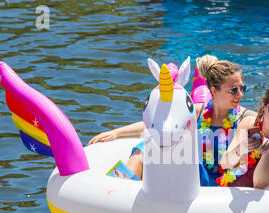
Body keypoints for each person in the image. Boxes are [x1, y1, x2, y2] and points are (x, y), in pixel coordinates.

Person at [88, 55, 257, 185]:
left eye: (242, 88)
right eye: (233, 90)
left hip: (217, 183)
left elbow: (231, 161)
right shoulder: (199, 112)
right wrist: (116, 133)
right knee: (147, 146)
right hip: (191, 174)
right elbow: (157, 126)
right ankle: (115, 188)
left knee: (173, 151)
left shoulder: (245, 119)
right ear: (214, 90)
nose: (240, 94)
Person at [217, 85, 269, 189]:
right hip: (228, 186)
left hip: (254, 197)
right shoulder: (248, 123)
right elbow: (224, 164)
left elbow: (259, 184)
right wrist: (240, 149)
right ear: (264, 107)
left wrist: (267, 154)